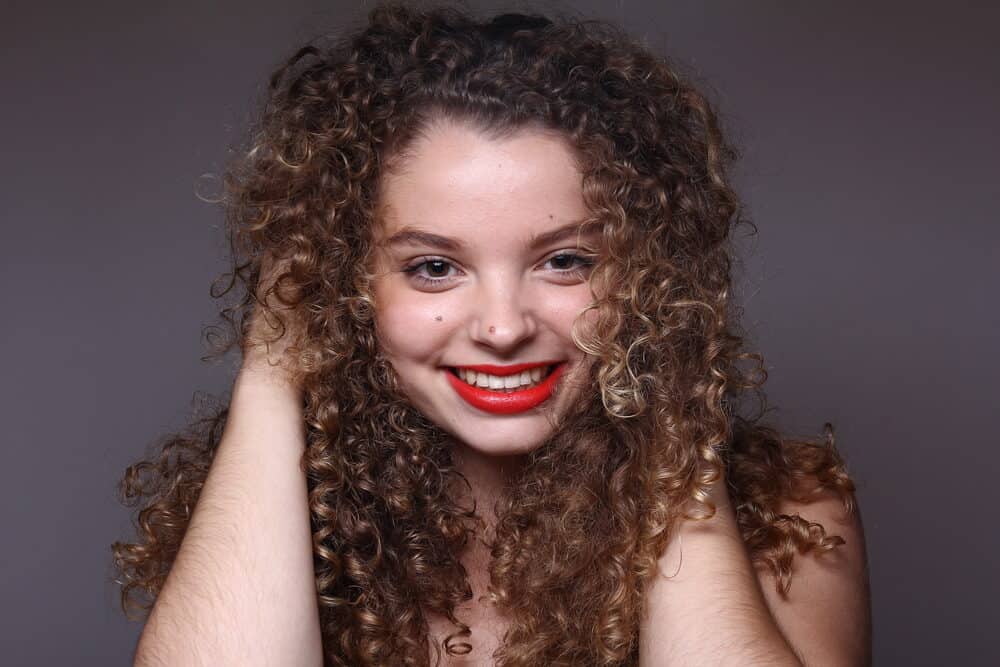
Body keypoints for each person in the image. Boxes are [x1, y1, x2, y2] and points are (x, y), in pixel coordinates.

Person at [112, 4, 872, 666]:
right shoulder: (271, 497)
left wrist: (671, 410)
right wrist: (273, 369)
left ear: (647, 274)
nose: (504, 327)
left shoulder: (791, 513)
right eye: (435, 267)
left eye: (567, 261)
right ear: (343, 282)